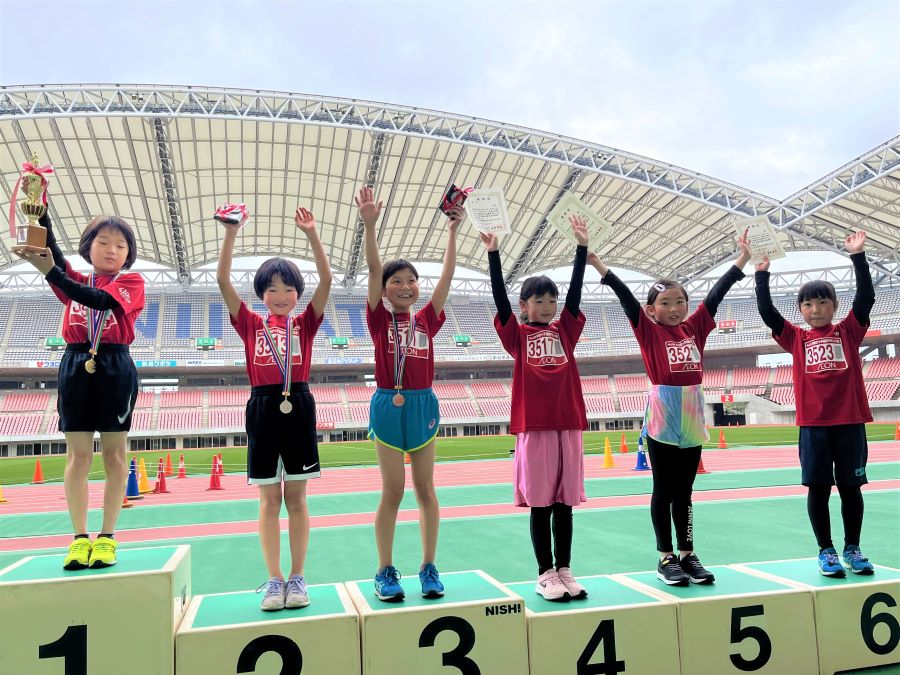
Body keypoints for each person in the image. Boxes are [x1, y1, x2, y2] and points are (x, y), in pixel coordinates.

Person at [590, 231, 751, 585]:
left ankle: (688, 553)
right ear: (652, 310)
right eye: (665, 302)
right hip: (663, 412)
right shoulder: (648, 331)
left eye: (680, 301)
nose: (675, 308)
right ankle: (666, 557)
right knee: (663, 489)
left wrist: (742, 259)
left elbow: (717, 293)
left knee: (686, 490)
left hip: (692, 410)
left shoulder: (696, 327)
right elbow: (625, 298)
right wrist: (598, 264)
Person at [216, 204, 333, 609]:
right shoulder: (250, 323)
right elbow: (222, 281)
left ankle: (298, 579)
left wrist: (312, 234)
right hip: (263, 407)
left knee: (297, 499)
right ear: (262, 294)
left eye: (288, 289)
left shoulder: (306, 323)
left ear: (297, 294)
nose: (281, 296)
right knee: (268, 500)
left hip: (298, 402)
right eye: (272, 289)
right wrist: (231, 234)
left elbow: (328, 280)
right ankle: (273, 579)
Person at [15, 210, 144, 571]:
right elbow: (53, 255)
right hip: (75, 365)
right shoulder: (74, 278)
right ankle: (78, 539)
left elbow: (98, 302)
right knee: (78, 457)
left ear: (128, 253)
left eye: (120, 245)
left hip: (115, 365)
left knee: (115, 456)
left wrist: (51, 272)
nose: (111, 250)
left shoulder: (131, 282)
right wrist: (41, 212)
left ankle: (107, 538)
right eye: (103, 242)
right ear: (88, 248)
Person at [356, 185, 460, 601]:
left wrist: (453, 232)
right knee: (393, 491)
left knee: (426, 490)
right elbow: (373, 264)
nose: (405, 286)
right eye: (396, 281)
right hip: (387, 402)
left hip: (422, 404)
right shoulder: (379, 319)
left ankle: (429, 567)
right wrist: (369, 225)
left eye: (411, 281)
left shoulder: (427, 321)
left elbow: (448, 277)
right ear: (384, 290)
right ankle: (384, 570)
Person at [755, 231, 875, 577]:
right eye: (808, 304)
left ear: (834, 306)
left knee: (851, 488)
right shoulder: (796, 337)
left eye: (822, 302)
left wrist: (858, 256)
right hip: (814, 426)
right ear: (801, 311)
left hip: (850, 422)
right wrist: (762, 274)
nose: (815, 309)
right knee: (819, 489)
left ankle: (853, 546)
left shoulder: (849, 331)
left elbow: (865, 297)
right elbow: (767, 312)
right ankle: (826, 551)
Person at [482, 215, 590, 602]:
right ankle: (544, 572)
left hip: (569, 425)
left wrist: (581, 249)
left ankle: (565, 568)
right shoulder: (517, 335)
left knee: (565, 504)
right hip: (535, 427)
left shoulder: (565, 331)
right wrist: (494, 255)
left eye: (551, 301)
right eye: (537, 301)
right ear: (524, 305)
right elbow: (498, 298)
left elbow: (576, 295)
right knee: (541, 505)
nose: (546, 306)